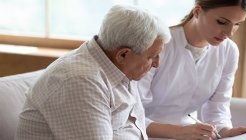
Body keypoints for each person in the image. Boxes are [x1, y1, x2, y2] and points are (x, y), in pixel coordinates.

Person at [15, 4, 171, 140]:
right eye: (151, 57)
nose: (157, 64)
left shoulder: (120, 67)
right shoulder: (80, 82)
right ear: (123, 54)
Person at [137, 0, 246, 139]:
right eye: (222, 22)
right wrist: (179, 132)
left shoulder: (229, 51)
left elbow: (217, 110)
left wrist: (227, 132)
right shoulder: (158, 45)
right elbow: (131, 113)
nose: (229, 33)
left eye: (237, 24)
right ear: (197, 11)